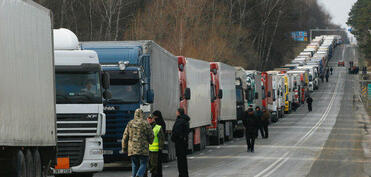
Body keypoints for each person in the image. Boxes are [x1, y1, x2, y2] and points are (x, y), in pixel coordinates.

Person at [122, 109, 154, 177]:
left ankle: (134, 176)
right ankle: (139, 175)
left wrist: (124, 148)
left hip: (132, 149)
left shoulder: (130, 123)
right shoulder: (146, 123)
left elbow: (125, 136)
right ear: (142, 115)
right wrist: (151, 141)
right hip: (143, 149)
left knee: (134, 164)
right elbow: (151, 135)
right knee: (144, 163)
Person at [171, 108, 190, 177]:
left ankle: (182, 174)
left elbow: (176, 132)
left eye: (176, 112)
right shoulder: (186, 120)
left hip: (179, 143)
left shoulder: (179, 121)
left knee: (180, 161)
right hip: (184, 143)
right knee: (184, 160)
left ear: (179, 113)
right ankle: (185, 174)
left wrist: (173, 138)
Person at [151, 110, 166, 177]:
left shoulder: (156, 125)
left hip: (154, 147)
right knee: (159, 163)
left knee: (154, 163)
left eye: (154, 116)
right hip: (159, 147)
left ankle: (155, 175)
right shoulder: (162, 123)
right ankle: (159, 175)